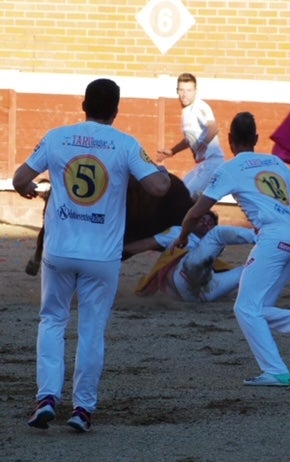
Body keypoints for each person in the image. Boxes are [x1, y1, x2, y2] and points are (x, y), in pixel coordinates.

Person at [12, 78, 171, 433]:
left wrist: (28, 190)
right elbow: (159, 187)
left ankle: (47, 397)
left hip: (59, 250)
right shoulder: (126, 144)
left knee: (52, 320)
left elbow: (20, 177)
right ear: (116, 111)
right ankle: (82, 408)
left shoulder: (57, 137)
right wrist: (156, 169)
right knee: (92, 330)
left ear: (83, 105)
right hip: (102, 255)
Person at [170, 111, 290, 387]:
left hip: (272, 240)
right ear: (257, 139)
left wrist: (183, 236)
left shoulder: (230, 168)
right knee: (258, 308)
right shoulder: (276, 163)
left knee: (245, 309)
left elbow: (195, 212)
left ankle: (275, 371)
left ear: (229, 140)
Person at [124, 211, 255, 302]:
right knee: (217, 233)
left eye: (210, 223)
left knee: (251, 269)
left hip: (201, 295)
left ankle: (268, 244)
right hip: (184, 275)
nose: (205, 223)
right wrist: (119, 250)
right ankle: (263, 236)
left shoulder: (212, 247)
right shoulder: (179, 232)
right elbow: (147, 243)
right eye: (202, 220)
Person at [157, 73, 225, 200]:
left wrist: (203, 145)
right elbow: (190, 140)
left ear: (195, 91)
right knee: (182, 191)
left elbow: (213, 128)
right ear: (177, 91)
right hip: (202, 164)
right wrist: (172, 151)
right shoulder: (186, 111)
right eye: (181, 90)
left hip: (212, 162)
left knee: (186, 197)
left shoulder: (199, 107)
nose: (184, 94)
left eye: (189, 90)